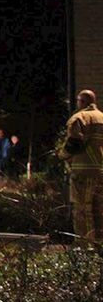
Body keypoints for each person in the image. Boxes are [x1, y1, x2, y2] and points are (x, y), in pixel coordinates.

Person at [59, 89, 103, 246]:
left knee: (83, 211)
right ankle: (99, 246)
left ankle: (85, 248)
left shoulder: (80, 118)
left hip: (83, 174)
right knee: (99, 211)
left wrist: (62, 155)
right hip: (101, 173)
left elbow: (74, 142)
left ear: (82, 101)